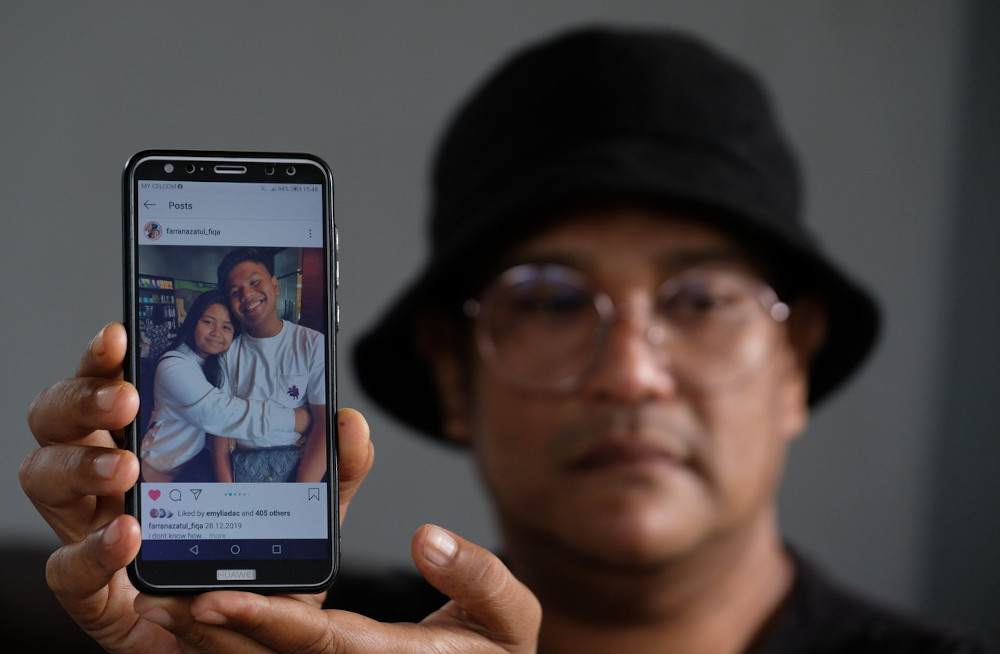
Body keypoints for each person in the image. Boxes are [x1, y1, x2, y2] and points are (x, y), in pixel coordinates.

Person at [20, 26, 998, 654]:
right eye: (549, 301)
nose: (630, 375)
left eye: (699, 299)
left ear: (794, 363)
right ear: (452, 371)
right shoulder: (284, 637)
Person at [139, 289, 313, 482]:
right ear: (193, 321)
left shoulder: (215, 362)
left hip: (195, 467)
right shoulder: (173, 366)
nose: (216, 333)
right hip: (161, 471)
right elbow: (220, 412)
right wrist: (294, 419)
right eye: (208, 322)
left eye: (226, 327)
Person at [214, 247, 329, 483]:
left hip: (298, 466)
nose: (246, 294)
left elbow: (323, 422)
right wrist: (227, 493)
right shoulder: (227, 352)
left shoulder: (312, 343)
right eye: (235, 292)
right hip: (243, 468)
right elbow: (218, 428)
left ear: (275, 285)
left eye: (254, 282)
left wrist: (302, 492)